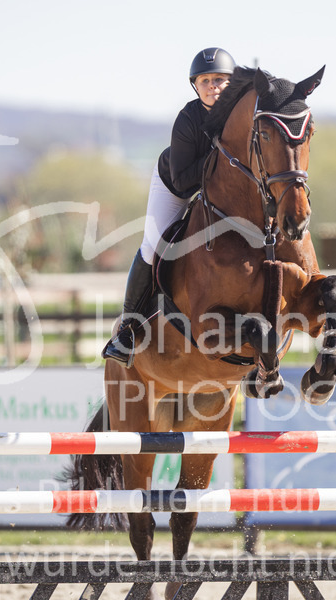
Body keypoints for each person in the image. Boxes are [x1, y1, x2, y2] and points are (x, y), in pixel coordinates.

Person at [102, 47, 236, 367]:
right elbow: (183, 181)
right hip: (176, 185)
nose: (213, 86)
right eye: (206, 81)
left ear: (232, 83)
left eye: (219, 79)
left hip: (222, 192)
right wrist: (218, 159)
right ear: (196, 85)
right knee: (153, 246)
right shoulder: (188, 118)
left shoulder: (241, 115)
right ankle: (128, 329)